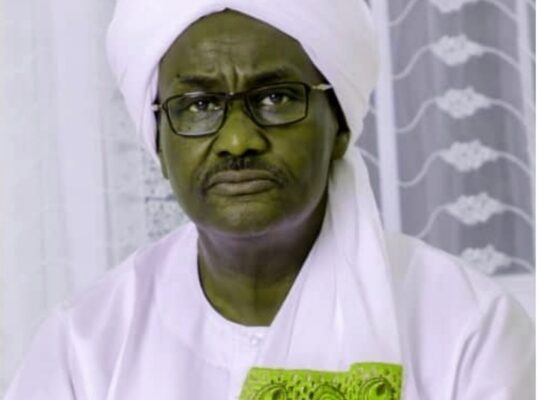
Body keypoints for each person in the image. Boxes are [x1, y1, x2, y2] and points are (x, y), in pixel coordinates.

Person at [4, 0, 534, 399]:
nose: (238, 140)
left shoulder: (467, 328)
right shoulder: (85, 347)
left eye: (276, 97)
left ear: (340, 126)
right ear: (160, 145)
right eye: (199, 105)